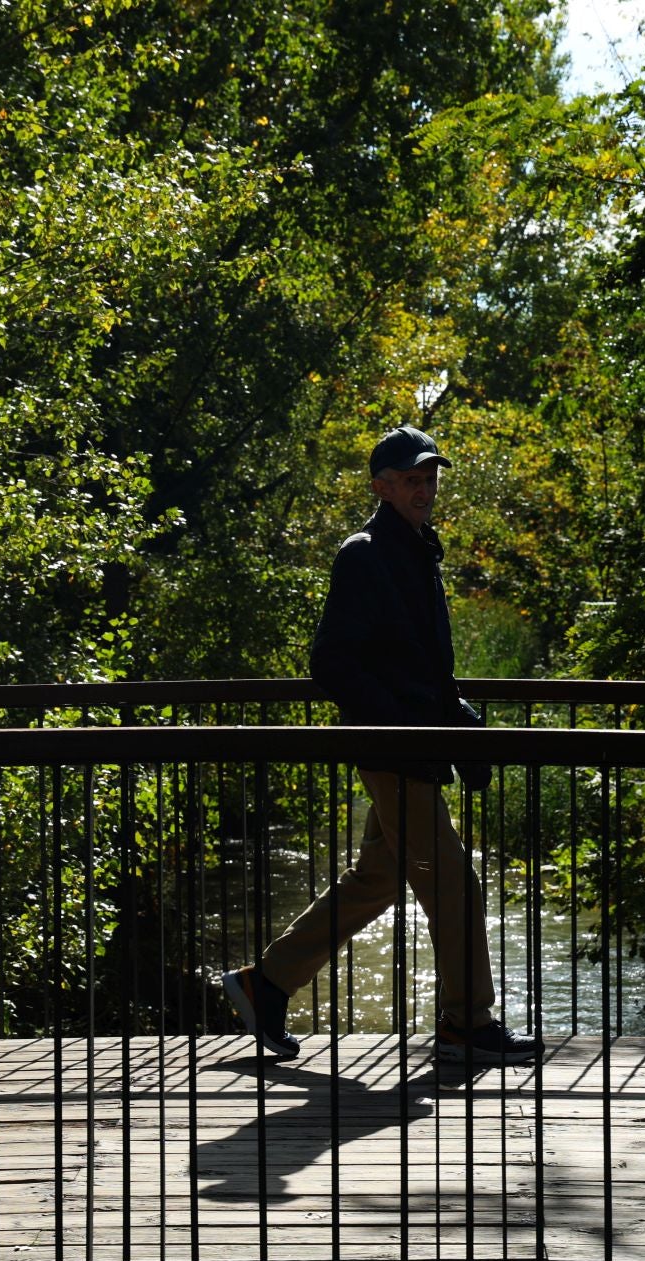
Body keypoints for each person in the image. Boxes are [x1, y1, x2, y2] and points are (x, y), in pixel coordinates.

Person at [222, 425, 540, 1065]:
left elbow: (421, 669)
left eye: (430, 479)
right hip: (392, 749)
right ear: (382, 486)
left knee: (378, 879)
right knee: (455, 884)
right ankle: (465, 1024)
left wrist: (461, 726)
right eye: (412, 480)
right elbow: (333, 665)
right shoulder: (364, 554)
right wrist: (401, 722)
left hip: (412, 744)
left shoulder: (417, 551)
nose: (425, 490)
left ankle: (268, 982)